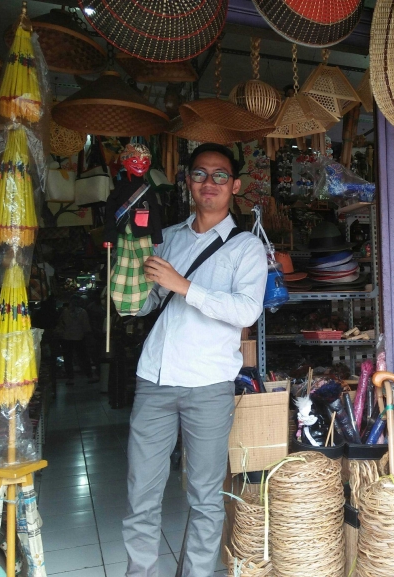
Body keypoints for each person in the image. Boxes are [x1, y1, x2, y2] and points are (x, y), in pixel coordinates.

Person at [123, 143, 267, 576]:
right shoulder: (168, 238)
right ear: (188, 181)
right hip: (156, 378)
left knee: (205, 498)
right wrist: (128, 288)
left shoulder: (246, 248)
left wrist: (183, 285)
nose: (210, 183)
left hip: (208, 385)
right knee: (141, 495)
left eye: (220, 175)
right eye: (200, 174)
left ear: (235, 186)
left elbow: (246, 311)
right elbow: (150, 303)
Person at [56, 296, 92, 385]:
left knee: (68, 358)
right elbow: (86, 326)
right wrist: (88, 336)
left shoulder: (65, 312)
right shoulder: (83, 312)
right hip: (79, 338)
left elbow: (61, 324)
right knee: (83, 357)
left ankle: (70, 378)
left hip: (66, 338)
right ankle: (89, 375)